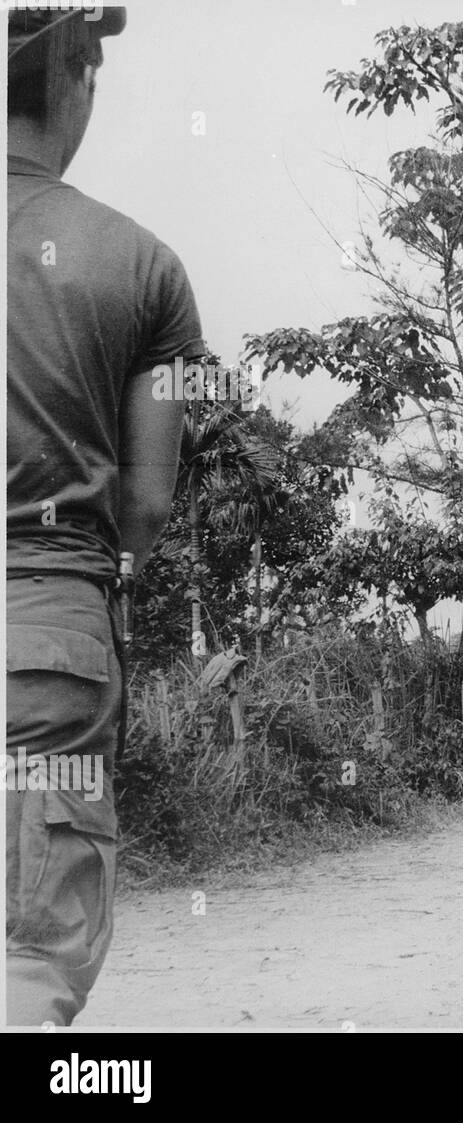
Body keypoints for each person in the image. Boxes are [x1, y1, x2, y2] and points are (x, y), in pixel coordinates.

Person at [7, 7, 205, 1025]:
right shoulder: (142, 267)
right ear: (79, 74)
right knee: (27, 959)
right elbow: (150, 498)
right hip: (48, 633)